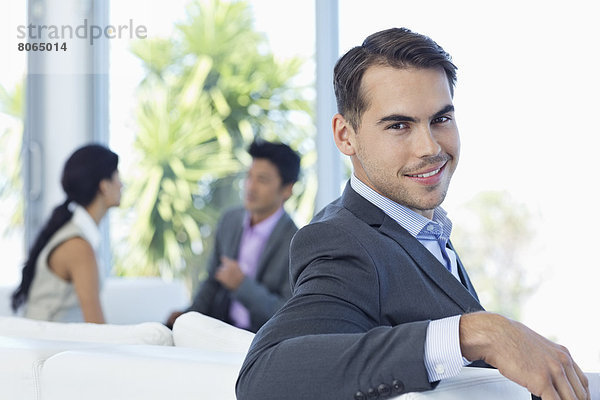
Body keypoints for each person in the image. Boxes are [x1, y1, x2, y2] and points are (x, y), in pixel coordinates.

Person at [236, 28, 590, 400]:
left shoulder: (423, 225)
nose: (430, 147)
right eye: (399, 125)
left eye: (441, 119)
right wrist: (476, 332)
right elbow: (265, 377)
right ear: (345, 136)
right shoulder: (343, 243)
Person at [166, 139, 301, 333]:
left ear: (287, 189)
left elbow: (288, 312)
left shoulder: (296, 241)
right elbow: (211, 283)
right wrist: (186, 318)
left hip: (261, 341)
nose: (250, 187)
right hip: (220, 330)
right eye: (249, 177)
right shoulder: (230, 221)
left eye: (262, 180)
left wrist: (242, 285)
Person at [11, 144, 121, 323]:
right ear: (104, 186)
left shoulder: (76, 235)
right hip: (48, 348)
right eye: (117, 176)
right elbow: (98, 328)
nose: (121, 184)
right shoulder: (78, 246)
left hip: (51, 345)